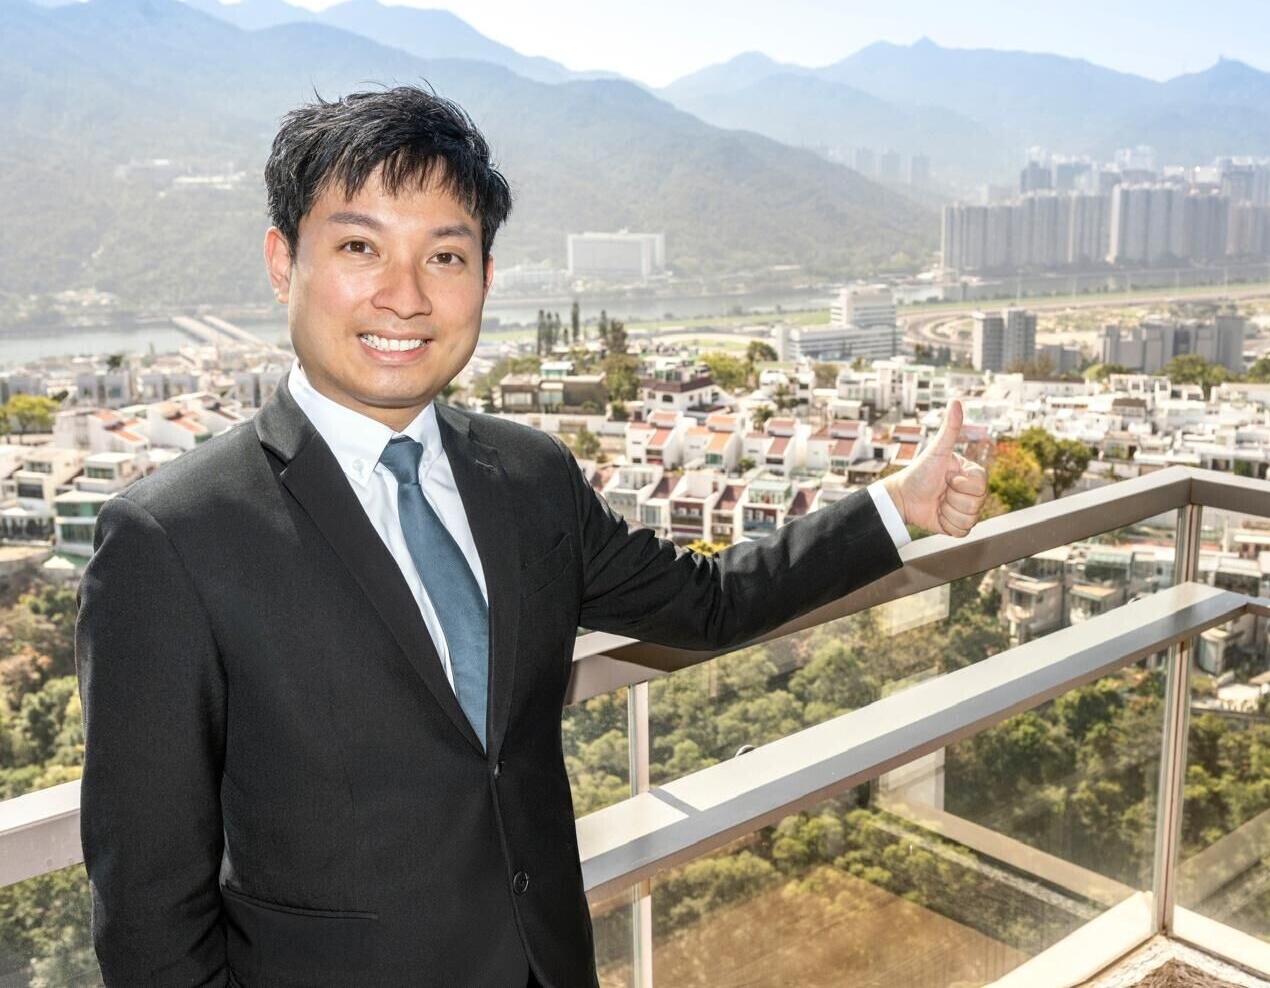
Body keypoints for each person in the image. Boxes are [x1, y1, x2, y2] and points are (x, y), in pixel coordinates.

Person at [75, 85, 988, 987]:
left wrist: (895, 504)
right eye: (359, 247)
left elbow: (707, 604)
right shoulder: (173, 539)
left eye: (444, 256)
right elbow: (150, 916)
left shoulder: (527, 476)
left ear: (485, 277)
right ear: (283, 263)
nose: (404, 297)